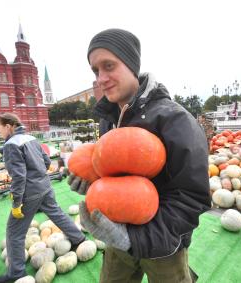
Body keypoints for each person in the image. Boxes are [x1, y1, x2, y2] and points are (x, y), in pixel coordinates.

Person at [68, 28, 211, 283]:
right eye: (95, 70)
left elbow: (192, 198)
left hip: (164, 246)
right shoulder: (108, 120)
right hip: (116, 238)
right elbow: (113, 174)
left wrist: (135, 240)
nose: (101, 78)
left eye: (108, 66)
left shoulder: (176, 120)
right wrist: (94, 182)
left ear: (132, 65)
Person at [0, 113, 85, 283]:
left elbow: (19, 177)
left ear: (8, 126)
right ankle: (78, 238)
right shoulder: (30, 138)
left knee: (14, 232)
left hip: (29, 192)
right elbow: (45, 162)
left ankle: (16, 272)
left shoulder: (11, 145)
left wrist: (16, 203)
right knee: (56, 213)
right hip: (44, 186)